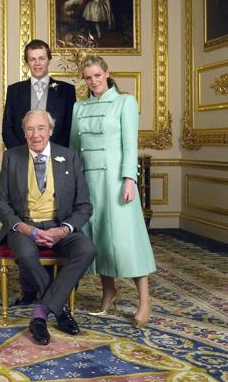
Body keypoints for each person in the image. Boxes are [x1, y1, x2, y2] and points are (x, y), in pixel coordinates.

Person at [0, 109, 95, 345]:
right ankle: (59, 311)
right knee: (26, 254)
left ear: (50, 130)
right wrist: (25, 229)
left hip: (59, 226)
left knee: (87, 249)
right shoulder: (12, 156)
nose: (35, 134)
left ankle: (40, 313)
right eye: (30, 129)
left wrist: (63, 230)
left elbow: (84, 205)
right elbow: (2, 203)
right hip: (25, 228)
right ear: (24, 132)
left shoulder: (68, 156)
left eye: (41, 128)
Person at [70, 55, 156, 328]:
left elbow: (130, 145)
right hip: (88, 181)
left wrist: (130, 179)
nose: (93, 81)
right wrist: (72, 183)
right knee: (97, 239)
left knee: (125, 241)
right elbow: (74, 148)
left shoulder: (125, 102)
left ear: (107, 73)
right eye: (88, 77)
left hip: (117, 181)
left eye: (97, 75)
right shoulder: (78, 107)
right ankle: (108, 292)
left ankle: (145, 300)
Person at [1, 39, 76, 305]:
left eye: (41, 58)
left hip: (54, 161)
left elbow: (67, 130)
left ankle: (51, 287)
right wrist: (24, 158)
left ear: (49, 59)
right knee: (25, 219)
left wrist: (51, 156)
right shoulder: (15, 90)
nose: (37, 63)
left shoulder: (66, 91)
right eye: (32, 59)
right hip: (23, 163)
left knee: (52, 220)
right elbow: (7, 128)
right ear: (27, 62)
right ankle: (30, 290)